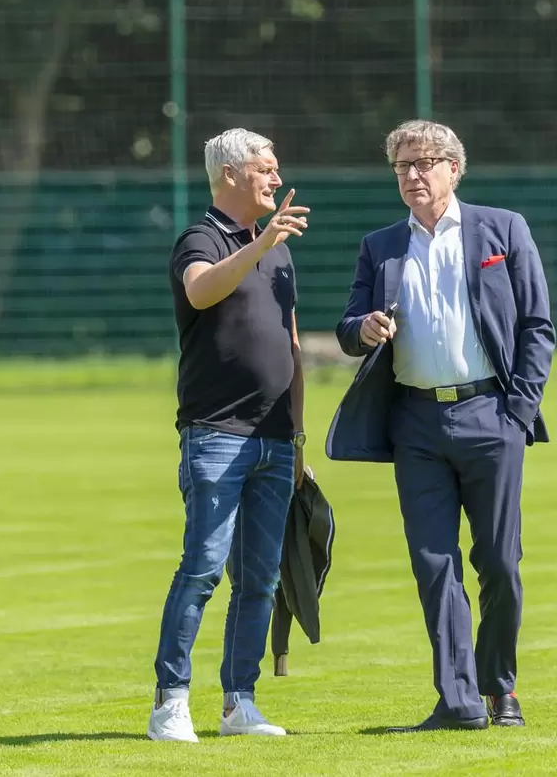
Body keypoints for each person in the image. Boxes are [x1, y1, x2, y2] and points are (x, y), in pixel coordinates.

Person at [329, 119, 555, 732]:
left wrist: (519, 411)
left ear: (455, 168)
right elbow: (350, 327)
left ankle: (499, 687)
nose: (412, 175)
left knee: (500, 563)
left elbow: (537, 327)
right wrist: (364, 329)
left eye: (425, 162)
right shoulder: (380, 246)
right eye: (402, 165)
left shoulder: (502, 229)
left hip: (492, 416)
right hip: (416, 424)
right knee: (434, 564)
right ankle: (457, 703)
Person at [148, 128, 309, 742]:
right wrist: (258, 243)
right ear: (233, 174)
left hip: (274, 438)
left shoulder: (280, 248)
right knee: (203, 568)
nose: (275, 178)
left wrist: (297, 437)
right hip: (217, 433)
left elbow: (292, 345)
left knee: (260, 577)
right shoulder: (201, 238)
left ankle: (239, 702)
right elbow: (201, 287)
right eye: (266, 169)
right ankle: (171, 702)